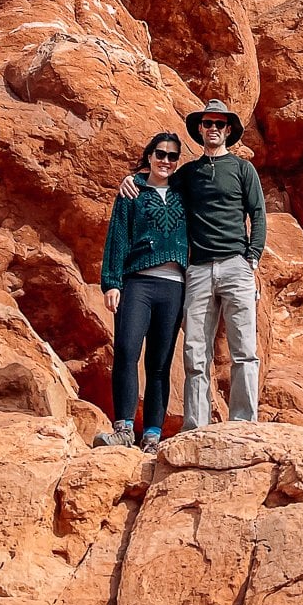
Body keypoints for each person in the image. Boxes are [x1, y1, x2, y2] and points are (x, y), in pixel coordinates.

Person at [122, 99, 266, 429]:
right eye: (207, 124)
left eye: (219, 124)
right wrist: (132, 180)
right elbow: (159, 182)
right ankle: (196, 426)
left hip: (235, 265)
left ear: (228, 130)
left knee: (243, 349)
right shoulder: (189, 173)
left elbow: (257, 214)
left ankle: (243, 422)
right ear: (200, 130)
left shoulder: (243, 169)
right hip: (198, 270)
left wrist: (252, 258)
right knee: (194, 350)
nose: (213, 129)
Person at [97, 130, 189, 454]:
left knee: (160, 363)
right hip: (137, 281)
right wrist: (111, 282)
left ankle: (152, 435)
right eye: (160, 154)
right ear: (149, 156)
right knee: (125, 349)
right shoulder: (132, 192)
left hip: (174, 287)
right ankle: (123, 428)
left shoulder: (184, 194)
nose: (166, 160)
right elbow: (117, 236)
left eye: (172, 156)